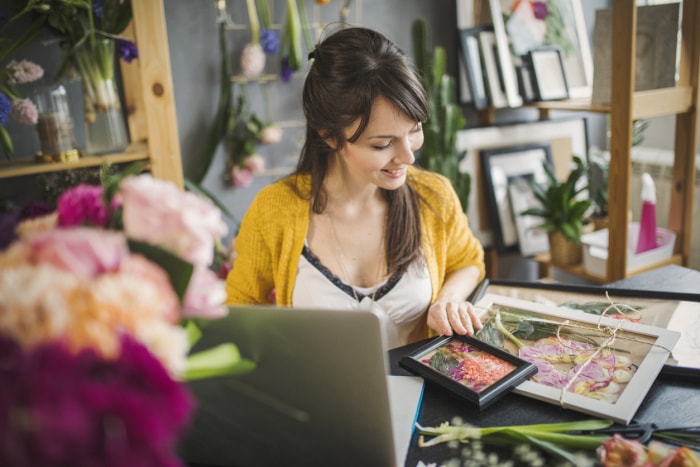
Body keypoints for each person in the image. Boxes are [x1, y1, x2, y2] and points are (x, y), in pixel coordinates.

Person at [226, 26, 485, 348]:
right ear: (329, 136)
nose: (408, 155)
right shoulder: (274, 210)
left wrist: (448, 299)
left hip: (425, 395)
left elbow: (469, 262)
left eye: (414, 130)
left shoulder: (434, 195)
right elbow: (241, 303)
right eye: (382, 144)